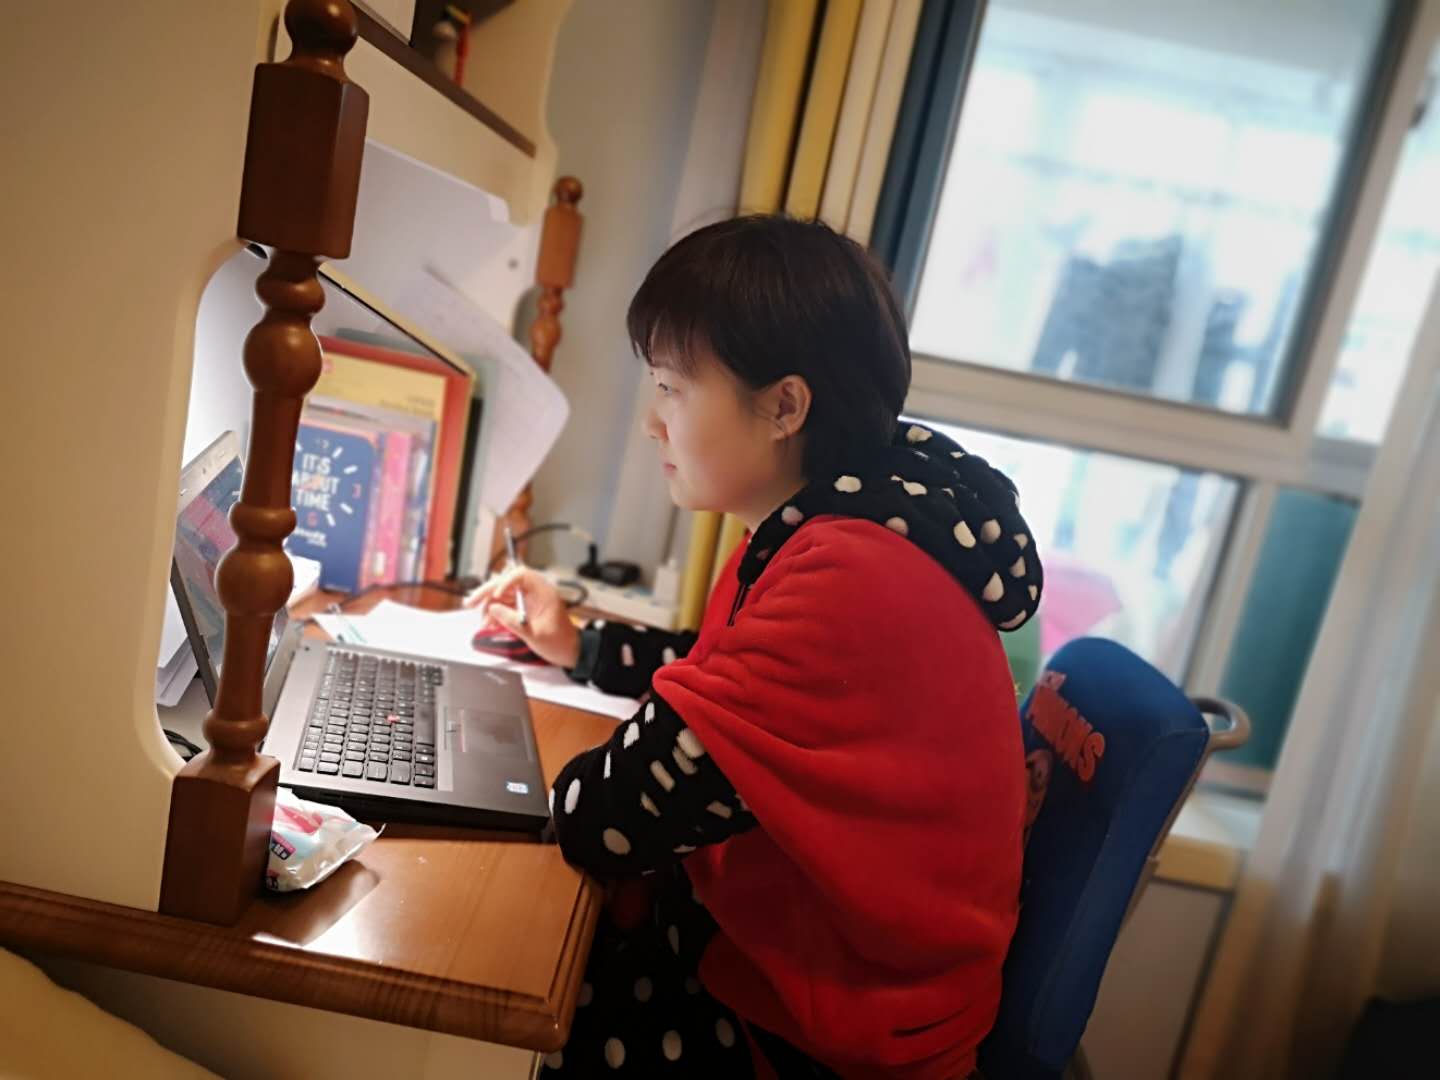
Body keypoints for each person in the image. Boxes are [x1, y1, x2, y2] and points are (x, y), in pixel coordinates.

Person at [467, 216, 1041, 1078]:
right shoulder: (840, 523)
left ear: (784, 407)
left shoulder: (849, 579)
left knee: (508, 965)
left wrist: (475, 765)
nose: (652, 423)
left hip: (834, 1038)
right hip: (817, 966)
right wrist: (581, 647)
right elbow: (724, 675)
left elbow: (608, 820)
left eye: (672, 388)